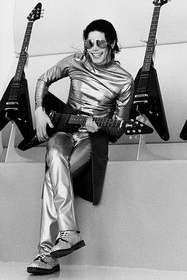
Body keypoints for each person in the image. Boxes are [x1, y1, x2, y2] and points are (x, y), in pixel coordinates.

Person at [27, 19, 134, 275]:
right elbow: (43, 79)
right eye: (89, 42)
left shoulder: (124, 80)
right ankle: (69, 233)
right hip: (65, 131)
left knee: (52, 179)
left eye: (100, 42)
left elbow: (119, 126)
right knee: (54, 150)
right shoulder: (74, 62)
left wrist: (103, 127)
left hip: (90, 138)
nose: (94, 48)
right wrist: (39, 110)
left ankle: (46, 255)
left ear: (112, 43)